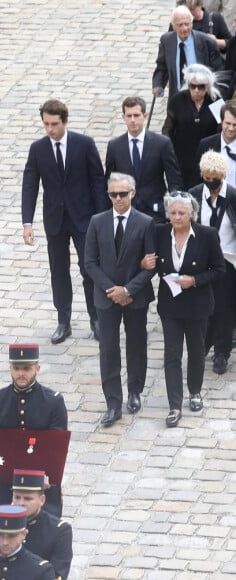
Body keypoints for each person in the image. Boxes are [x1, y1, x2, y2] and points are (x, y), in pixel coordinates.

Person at [22, 99, 107, 344]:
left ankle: (96, 318)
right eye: (46, 124)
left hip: (84, 218)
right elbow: (30, 186)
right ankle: (64, 320)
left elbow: (98, 182)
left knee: (89, 269)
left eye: (54, 124)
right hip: (55, 220)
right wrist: (27, 222)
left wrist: (100, 218)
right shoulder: (38, 149)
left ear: (65, 121)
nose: (50, 129)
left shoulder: (84, 144)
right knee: (58, 271)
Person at [142, 192, 225, 427]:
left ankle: (195, 391)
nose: (177, 217)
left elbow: (219, 269)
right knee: (172, 354)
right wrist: (143, 263)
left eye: (182, 213)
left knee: (196, 351)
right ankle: (174, 405)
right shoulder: (159, 233)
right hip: (171, 304)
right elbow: (148, 261)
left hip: (197, 304)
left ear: (192, 214)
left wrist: (195, 280)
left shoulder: (207, 236)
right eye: (173, 213)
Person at [84, 173, 156, 428]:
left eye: (122, 194)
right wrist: (113, 290)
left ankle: (135, 391)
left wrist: (128, 290)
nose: (118, 199)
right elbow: (90, 263)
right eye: (113, 194)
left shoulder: (146, 223)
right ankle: (113, 403)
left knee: (136, 344)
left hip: (134, 298)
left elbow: (151, 265)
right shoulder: (97, 222)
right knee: (108, 350)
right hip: (106, 298)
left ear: (132, 194)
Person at [0, 344, 68, 514]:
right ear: (10, 369)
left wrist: (49, 476)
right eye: (17, 368)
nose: (21, 374)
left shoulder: (53, 402)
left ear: (37, 368)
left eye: (26, 368)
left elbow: (56, 447)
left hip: (41, 486)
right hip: (6, 486)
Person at [189, 151, 236, 374]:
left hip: (228, 260)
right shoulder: (195, 195)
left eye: (214, 177)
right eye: (206, 177)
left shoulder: (234, 197)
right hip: (202, 262)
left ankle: (222, 352)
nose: (210, 182)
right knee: (203, 306)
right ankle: (203, 344)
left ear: (223, 175)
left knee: (224, 308)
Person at [106, 96, 182, 224]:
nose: (133, 120)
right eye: (129, 116)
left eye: (136, 115)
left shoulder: (161, 144)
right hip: (126, 211)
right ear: (123, 117)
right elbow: (109, 181)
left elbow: (174, 179)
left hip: (155, 212)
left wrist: (174, 207)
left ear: (144, 115)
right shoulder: (115, 146)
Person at [163, 64, 222, 189]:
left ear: (207, 87)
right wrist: (168, 152)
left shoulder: (215, 100)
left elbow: (221, 128)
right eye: (192, 86)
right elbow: (168, 128)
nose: (196, 90)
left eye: (200, 87)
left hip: (208, 158)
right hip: (182, 156)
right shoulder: (177, 100)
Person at [11, 469, 73, 580]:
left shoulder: (60, 531)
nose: (21, 503)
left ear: (42, 500)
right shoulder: (1, 526)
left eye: (28, 499)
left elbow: (58, 575)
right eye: (17, 497)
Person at [153, 5, 224, 99]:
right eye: (180, 25)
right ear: (173, 26)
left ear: (192, 23)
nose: (184, 28)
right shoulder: (166, 41)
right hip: (177, 98)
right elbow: (162, 66)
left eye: (187, 24)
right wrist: (158, 84)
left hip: (202, 97)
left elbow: (219, 71)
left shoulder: (207, 42)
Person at [0, 505, 55, 580]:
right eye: (0, 535)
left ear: (24, 534)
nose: (5, 542)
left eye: (11, 536)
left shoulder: (40, 571)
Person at [197, 99, 236, 187]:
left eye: (235, 125)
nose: (231, 128)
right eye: (228, 123)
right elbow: (198, 178)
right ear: (221, 121)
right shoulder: (206, 145)